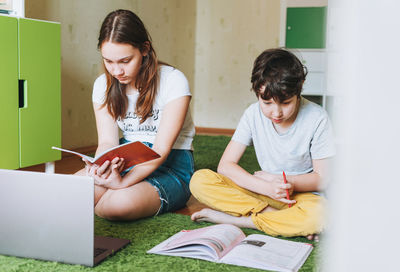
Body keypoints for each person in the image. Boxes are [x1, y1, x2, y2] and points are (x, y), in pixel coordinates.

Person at [189, 48, 335, 240]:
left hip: (301, 196)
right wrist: (265, 187)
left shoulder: (317, 118)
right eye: (267, 103)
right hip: (262, 192)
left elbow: (322, 178)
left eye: (286, 102)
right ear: (256, 91)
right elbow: (225, 166)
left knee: (322, 214)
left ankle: (241, 221)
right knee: (199, 181)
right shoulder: (252, 114)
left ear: (300, 87)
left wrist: (285, 182)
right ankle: (279, 220)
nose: (276, 113)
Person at [76, 9, 195, 221]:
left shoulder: (174, 81)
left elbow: (159, 151)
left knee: (113, 207)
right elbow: (106, 142)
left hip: (170, 164)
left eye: (124, 61)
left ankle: (116, 194)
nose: (116, 71)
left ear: (145, 49)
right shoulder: (103, 85)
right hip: (125, 157)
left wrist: (121, 183)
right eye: (108, 61)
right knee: (70, 192)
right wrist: (102, 167)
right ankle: (110, 191)